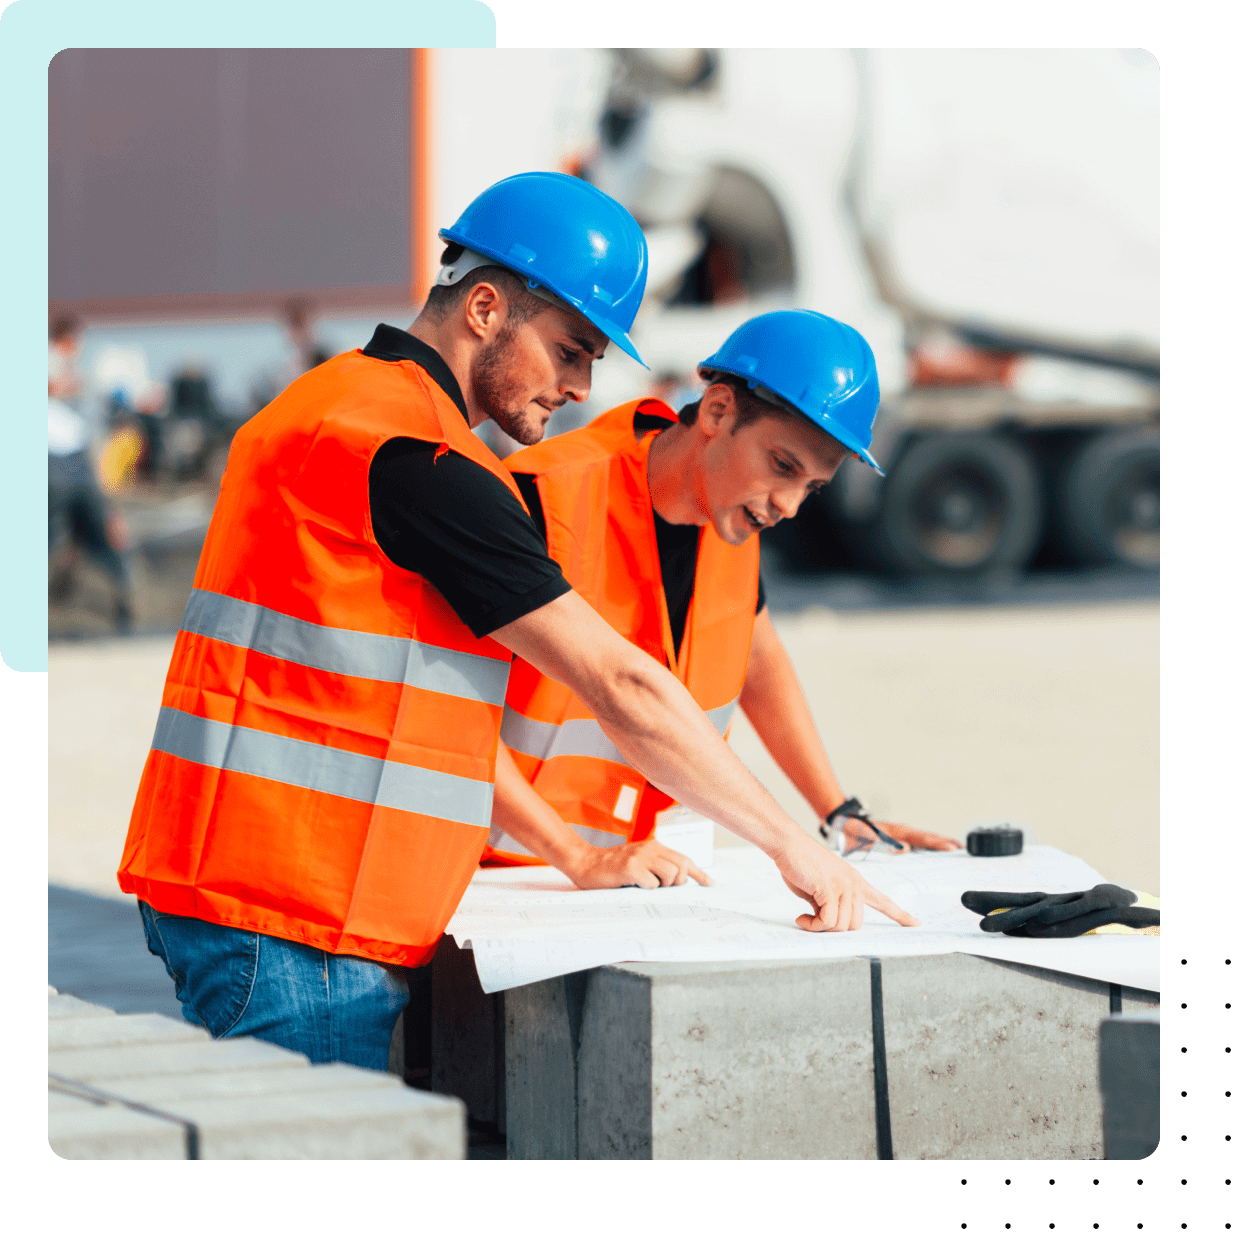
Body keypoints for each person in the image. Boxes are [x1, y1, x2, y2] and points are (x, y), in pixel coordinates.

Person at [118, 172, 917, 1072]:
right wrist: (793, 850)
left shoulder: (336, 406)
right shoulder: (416, 459)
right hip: (292, 913)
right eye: (570, 351)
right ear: (485, 307)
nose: (579, 386)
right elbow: (619, 683)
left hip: (266, 886)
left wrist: (830, 811)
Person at [483, 310, 963, 887]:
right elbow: (449, 710)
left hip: (637, 878)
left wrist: (840, 814)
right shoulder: (540, 496)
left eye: (811, 487)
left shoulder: (732, 518)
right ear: (717, 411)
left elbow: (760, 663)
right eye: (782, 465)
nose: (788, 505)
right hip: (500, 875)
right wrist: (575, 856)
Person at [47, 315, 134, 631]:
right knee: (54, 531)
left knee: (93, 529)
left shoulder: (74, 370)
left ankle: (118, 599)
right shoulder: (50, 360)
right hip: (54, 461)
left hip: (77, 459)